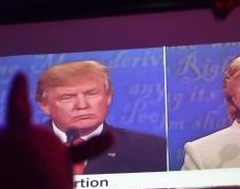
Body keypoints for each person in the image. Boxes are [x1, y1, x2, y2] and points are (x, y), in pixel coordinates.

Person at [36, 60, 167, 174]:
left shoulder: (150, 150)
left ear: (108, 96)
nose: (82, 105)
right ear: (44, 105)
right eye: (67, 97)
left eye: (91, 94)